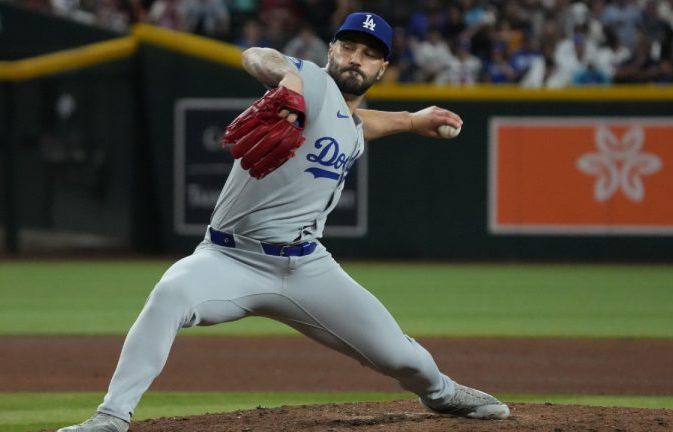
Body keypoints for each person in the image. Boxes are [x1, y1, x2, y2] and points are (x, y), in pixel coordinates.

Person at [56, 12, 509, 432]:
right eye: (349, 47)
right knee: (171, 293)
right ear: (330, 50)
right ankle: (112, 416)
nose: (356, 58)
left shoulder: (347, 120)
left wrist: (411, 121)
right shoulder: (310, 80)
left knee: (402, 357)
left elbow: (356, 123)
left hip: (309, 267)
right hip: (229, 258)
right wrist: (288, 76)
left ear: (381, 67)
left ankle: (442, 393)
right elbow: (256, 56)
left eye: (370, 53)